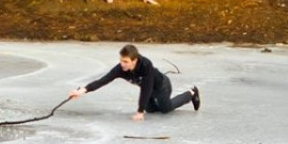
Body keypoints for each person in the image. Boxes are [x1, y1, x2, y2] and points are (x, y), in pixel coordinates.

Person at [68, 44, 200, 121]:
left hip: (162, 86)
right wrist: (81, 91)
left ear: (134, 60)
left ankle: (191, 93)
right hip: (148, 90)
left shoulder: (146, 65)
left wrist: (140, 111)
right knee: (153, 111)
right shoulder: (121, 69)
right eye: (121, 60)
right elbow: (102, 81)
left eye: (125, 61)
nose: (122, 64)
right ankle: (154, 106)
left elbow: (146, 88)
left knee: (165, 109)